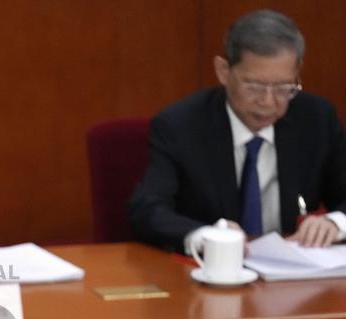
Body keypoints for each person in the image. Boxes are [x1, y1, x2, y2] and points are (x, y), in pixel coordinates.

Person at [129, 10, 346, 254]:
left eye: (284, 87)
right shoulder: (180, 126)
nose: (267, 102)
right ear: (223, 71)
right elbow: (147, 209)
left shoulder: (316, 119)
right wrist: (204, 235)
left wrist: (335, 223)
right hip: (210, 275)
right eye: (254, 86)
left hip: (291, 276)